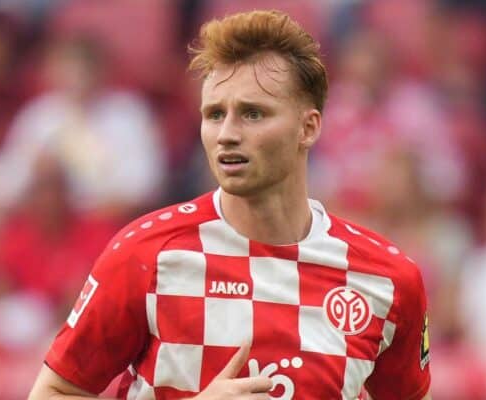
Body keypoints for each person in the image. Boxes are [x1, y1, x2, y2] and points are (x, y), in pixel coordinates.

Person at [29, 10, 432, 400]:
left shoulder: (386, 280)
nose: (226, 134)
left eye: (253, 114)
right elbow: (53, 393)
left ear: (308, 128)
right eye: (215, 114)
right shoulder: (147, 254)